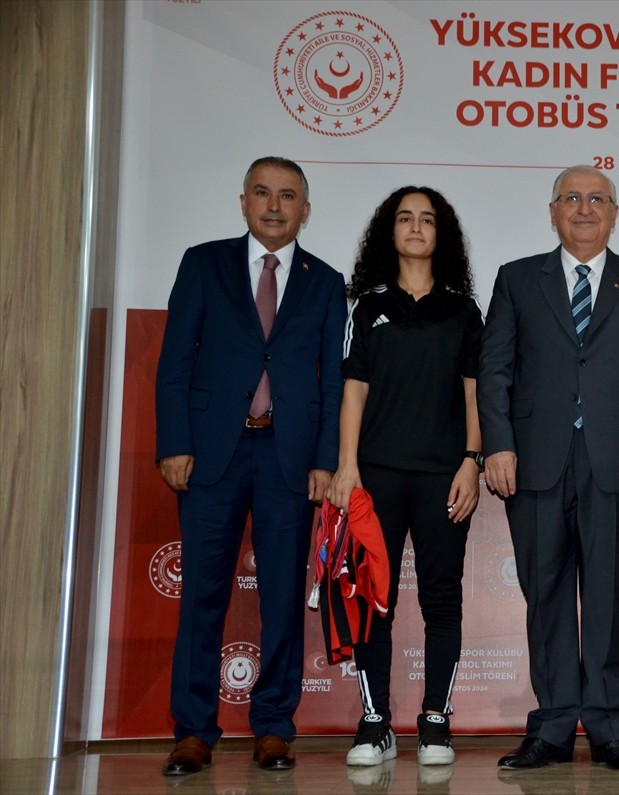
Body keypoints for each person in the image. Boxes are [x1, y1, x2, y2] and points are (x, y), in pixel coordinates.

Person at [477, 165, 619, 772]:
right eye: (572, 198)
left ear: (615, 213)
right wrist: (499, 445)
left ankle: (609, 727)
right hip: (535, 461)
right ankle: (553, 728)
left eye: (597, 199)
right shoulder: (516, 280)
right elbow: (496, 371)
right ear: (552, 211)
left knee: (607, 598)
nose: (584, 209)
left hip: (618, 464)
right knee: (546, 597)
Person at [155, 156, 347, 775]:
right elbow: (175, 361)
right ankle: (193, 730)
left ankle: (273, 726)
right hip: (212, 453)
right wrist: (174, 443)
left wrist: (326, 459)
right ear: (242, 201)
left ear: (305, 209)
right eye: (262, 193)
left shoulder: (325, 281)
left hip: (288, 458)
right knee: (201, 597)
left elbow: (334, 380)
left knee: (284, 597)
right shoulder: (203, 263)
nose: (273, 205)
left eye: (287, 195)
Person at [327, 186, 483, 768]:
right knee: (376, 602)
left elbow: (476, 393)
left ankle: (435, 722)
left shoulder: (465, 310)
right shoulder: (366, 307)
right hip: (378, 478)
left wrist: (471, 461)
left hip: (445, 477)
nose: (416, 227)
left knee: (443, 601)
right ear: (388, 232)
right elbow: (353, 390)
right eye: (405, 218)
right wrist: (347, 467)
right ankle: (375, 724)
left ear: (441, 233)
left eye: (427, 219)